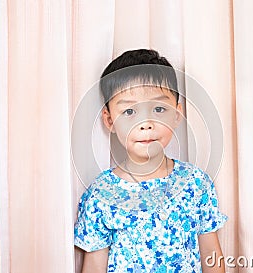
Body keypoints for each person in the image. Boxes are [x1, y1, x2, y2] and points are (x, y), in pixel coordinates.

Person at [74, 49, 228, 273]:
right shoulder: (101, 194)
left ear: (176, 115)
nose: (146, 123)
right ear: (109, 121)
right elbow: (94, 267)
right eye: (129, 111)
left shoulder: (195, 183)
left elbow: (212, 257)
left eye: (158, 109)